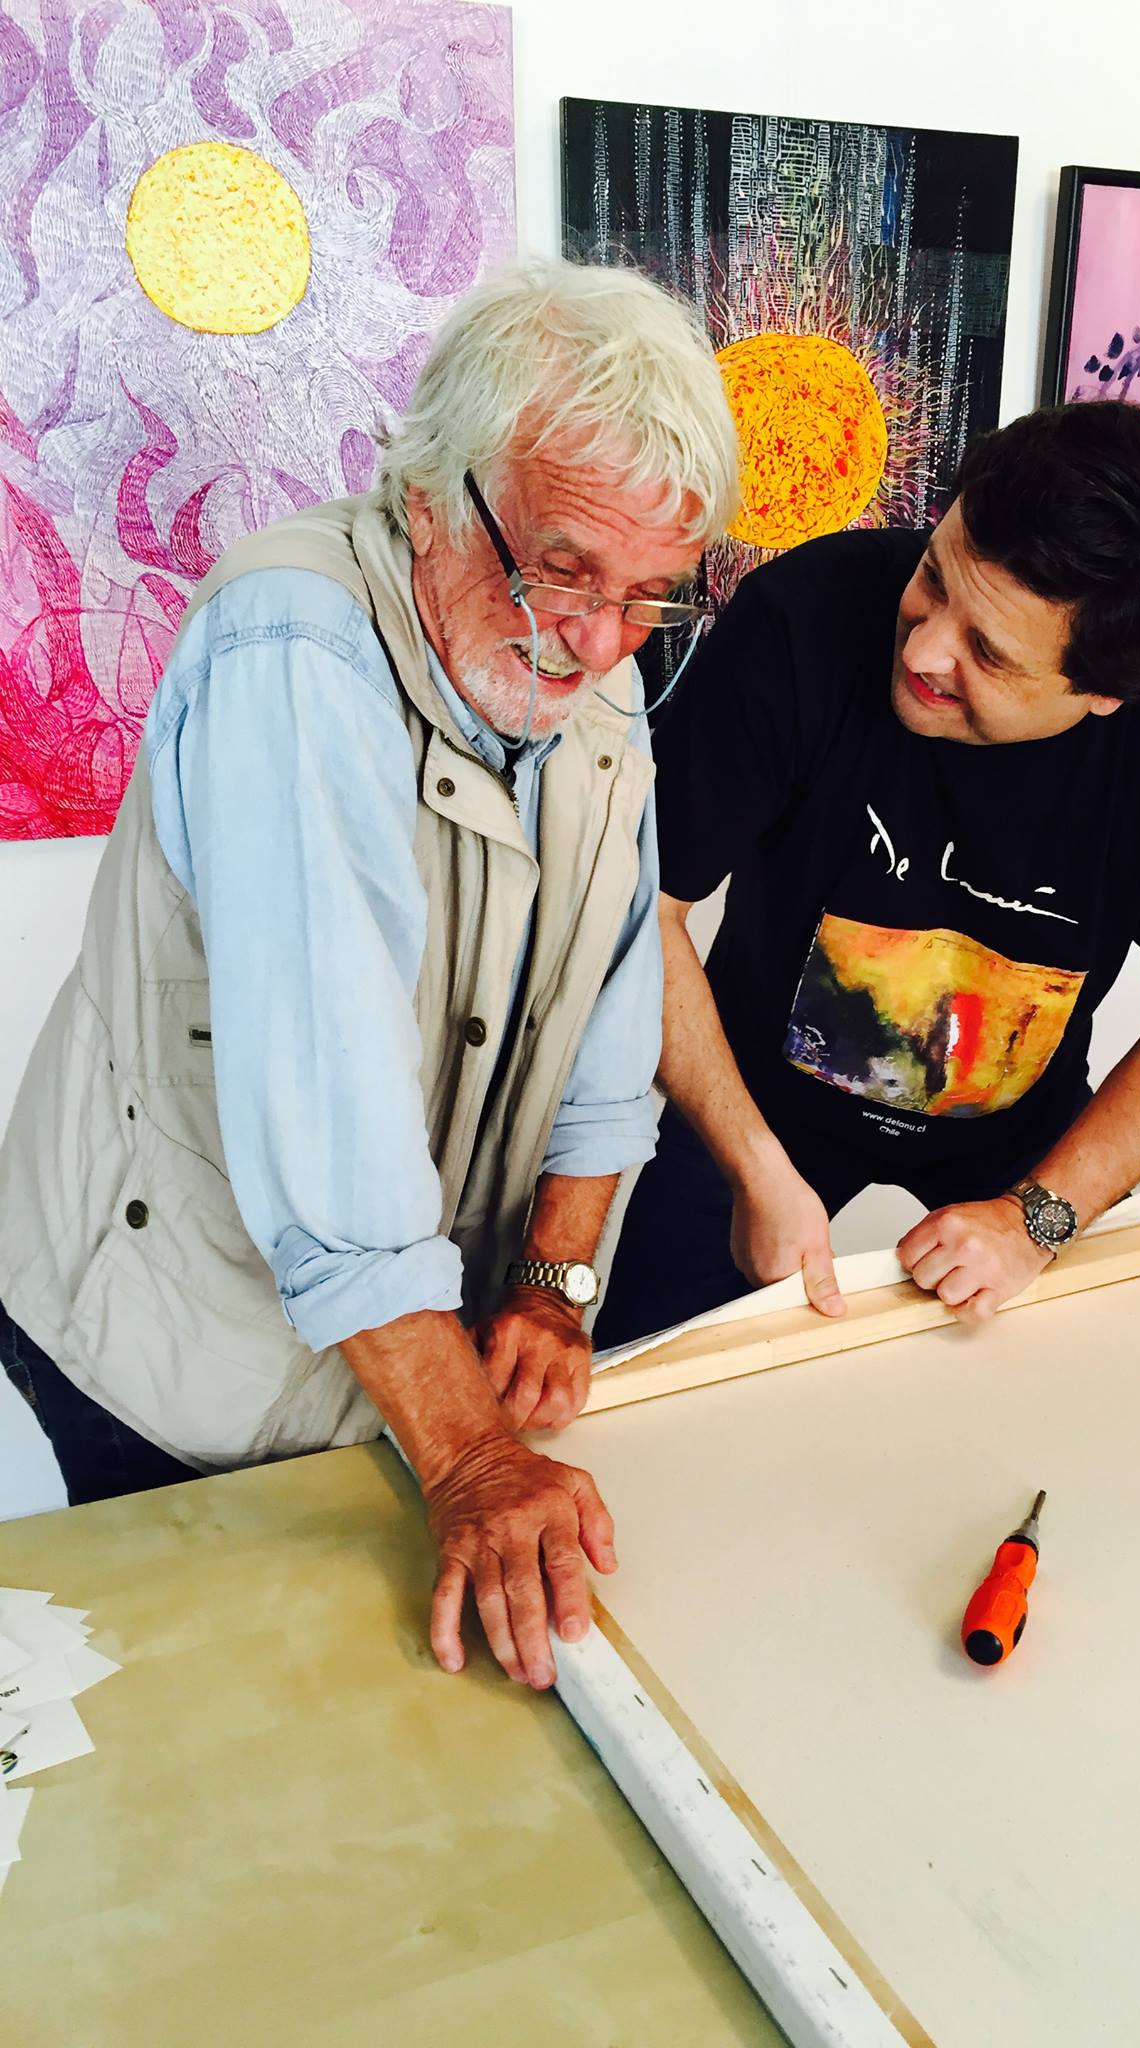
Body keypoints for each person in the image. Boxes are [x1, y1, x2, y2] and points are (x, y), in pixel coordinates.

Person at [0, 259, 738, 1692]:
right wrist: (467, 1450)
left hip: (388, 1367)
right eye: (562, 569)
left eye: (650, 596)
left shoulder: (602, 674)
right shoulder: (295, 644)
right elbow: (330, 1096)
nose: (596, 644)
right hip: (167, 1362)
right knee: (161, 1778)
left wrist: (555, 1278)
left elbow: (609, 1013)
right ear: (426, 490)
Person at [595, 402, 1140, 1349]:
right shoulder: (801, 616)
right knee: (644, 1378)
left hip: (1017, 1134)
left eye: (989, 652)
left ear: (1105, 693)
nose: (921, 651)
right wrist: (752, 1166)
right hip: (752, 1100)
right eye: (932, 576)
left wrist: (1038, 1219)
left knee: (1038, 1406)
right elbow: (638, 916)